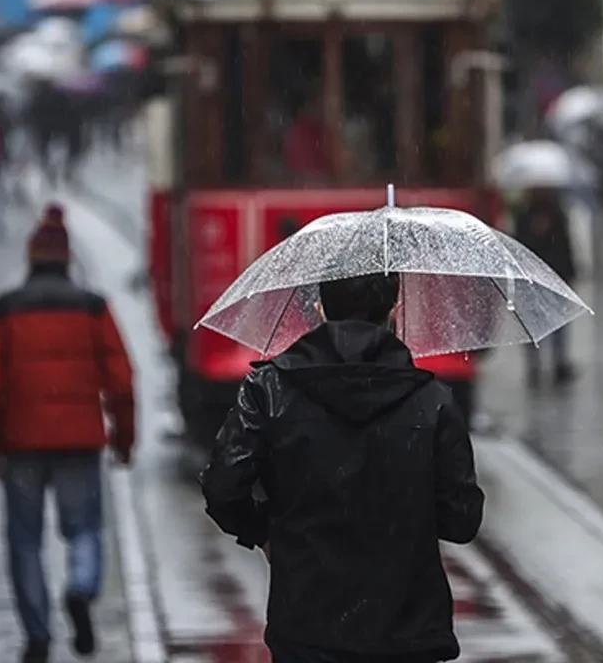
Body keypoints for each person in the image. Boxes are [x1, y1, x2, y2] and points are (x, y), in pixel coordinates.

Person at [201, 271, 485, 663]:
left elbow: (222, 487)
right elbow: (462, 520)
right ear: (395, 312)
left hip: (306, 627)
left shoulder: (269, 390)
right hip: (406, 632)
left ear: (319, 311)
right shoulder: (432, 401)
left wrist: (266, 534)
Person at [0, 204, 135, 663]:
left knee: (24, 541)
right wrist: (124, 440)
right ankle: (81, 587)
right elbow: (122, 381)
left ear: (30, 258)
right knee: (85, 529)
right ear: (67, 259)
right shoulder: (93, 307)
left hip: (21, 445)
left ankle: (38, 634)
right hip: (80, 440)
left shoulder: (3, 311)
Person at [513, 188, 577, 385]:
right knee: (533, 323)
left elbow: (564, 245)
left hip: (555, 275)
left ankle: (559, 362)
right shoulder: (524, 216)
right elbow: (520, 247)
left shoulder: (557, 214)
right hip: (532, 277)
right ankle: (534, 365)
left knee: (558, 323)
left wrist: (569, 272)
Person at [283, 94, 332, 179]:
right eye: (317, 105)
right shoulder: (299, 132)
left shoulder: (322, 132)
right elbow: (304, 174)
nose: (321, 109)